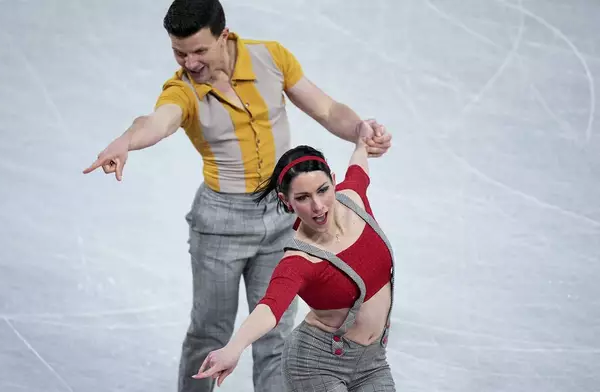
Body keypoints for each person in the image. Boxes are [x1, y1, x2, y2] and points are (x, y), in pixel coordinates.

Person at [82, 0, 392, 391]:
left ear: (223, 36)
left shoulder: (270, 58)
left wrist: (360, 129)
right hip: (221, 224)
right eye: (179, 53)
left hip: (284, 215)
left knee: (276, 332)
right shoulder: (183, 90)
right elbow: (156, 122)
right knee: (210, 332)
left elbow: (327, 109)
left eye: (199, 51)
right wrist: (127, 140)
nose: (190, 62)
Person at [192, 124, 396, 391]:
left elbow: (358, 168)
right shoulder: (299, 260)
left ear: (334, 182)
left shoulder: (353, 198)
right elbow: (269, 308)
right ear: (286, 201)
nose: (318, 206)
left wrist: (361, 143)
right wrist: (234, 347)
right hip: (316, 365)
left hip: (373, 361)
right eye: (303, 197)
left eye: (323, 190)